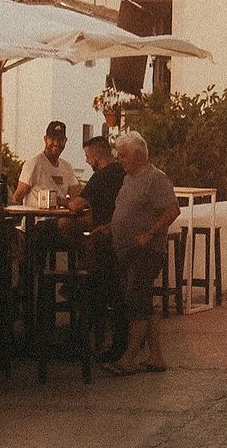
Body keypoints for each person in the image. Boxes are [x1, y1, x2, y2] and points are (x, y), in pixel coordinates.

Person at [104, 130, 180, 376]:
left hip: (145, 250)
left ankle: (128, 358)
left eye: (124, 156)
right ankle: (156, 356)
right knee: (143, 302)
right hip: (127, 249)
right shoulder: (129, 179)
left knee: (136, 300)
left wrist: (150, 233)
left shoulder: (155, 179)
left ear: (138, 155)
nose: (120, 160)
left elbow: (172, 210)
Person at [68, 136, 128, 363]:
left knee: (98, 288)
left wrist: (65, 202)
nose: (87, 161)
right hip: (120, 238)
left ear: (97, 154)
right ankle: (103, 341)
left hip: (104, 241)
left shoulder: (101, 176)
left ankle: (86, 341)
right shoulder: (122, 174)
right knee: (112, 291)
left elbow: (77, 205)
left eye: (88, 156)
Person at [14, 121, 79, 207]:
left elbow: (75, 199)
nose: (56, 143)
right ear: (45, 139)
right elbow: (17, 197)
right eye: (52, 139)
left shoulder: (67, 167)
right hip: (38, 218)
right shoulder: (34, 164)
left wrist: (63, 202)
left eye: (60, 139)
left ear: (65, 141)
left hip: (61, 217)